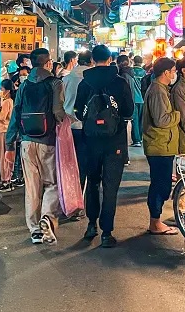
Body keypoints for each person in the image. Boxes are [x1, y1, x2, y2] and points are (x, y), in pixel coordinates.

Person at [74, 45, 135, 248]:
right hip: (114, 142)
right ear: (110, 59)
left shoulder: (85, 83)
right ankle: (107, 233)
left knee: (92, 183)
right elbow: (128, 111)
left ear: (92, 60)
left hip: (90, 140)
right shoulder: (119, 82)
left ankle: (91, 225)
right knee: (110, 187)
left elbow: (78, 112)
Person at [8, 48, 68, 244]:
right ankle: (47, 217)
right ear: (48, 63)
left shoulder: (24, 85)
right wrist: (68, 122)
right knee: (52, 183)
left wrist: (10, 143)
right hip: (47, 141)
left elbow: (16, 113)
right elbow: (58, 111)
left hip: (26, 140)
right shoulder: (55, 83)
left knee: (32, 187)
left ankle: (34, 230)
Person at [141, 57, 181, 235]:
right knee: (160, 184)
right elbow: (161, 120)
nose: (175, 75)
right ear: (166, 73)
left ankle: (155, 221)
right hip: (159, 145)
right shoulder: (158, 91)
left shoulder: (162, 89)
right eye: (173, 71)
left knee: (161, 183)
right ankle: (155, 222)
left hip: (163, 144)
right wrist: (178, 115)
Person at [63, 50, 93, 188]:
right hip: (88, 126)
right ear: (91, 61)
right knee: (84, 163)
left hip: (69, 126)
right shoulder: (91, 79)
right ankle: (80, 191)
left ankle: (70, 191)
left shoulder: (67, 79)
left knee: (69, 161)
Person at [0, 79, 16, 192]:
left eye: (2, 89)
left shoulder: (7, 102)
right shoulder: (10, 101)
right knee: (9, 156)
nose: (1, 91)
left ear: (7, 90)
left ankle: (5, 181)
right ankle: (8, 180)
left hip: (4, 131)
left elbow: (2, 116)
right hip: (9, 131)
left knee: (3, 157)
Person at [117, 55, 145, 149]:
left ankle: (136, 140)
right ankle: (140, 138)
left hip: (134, 98)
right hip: (141, 98)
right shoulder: (142, 72)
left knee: (135, 120)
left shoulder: (126, 73)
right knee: (140, 120)